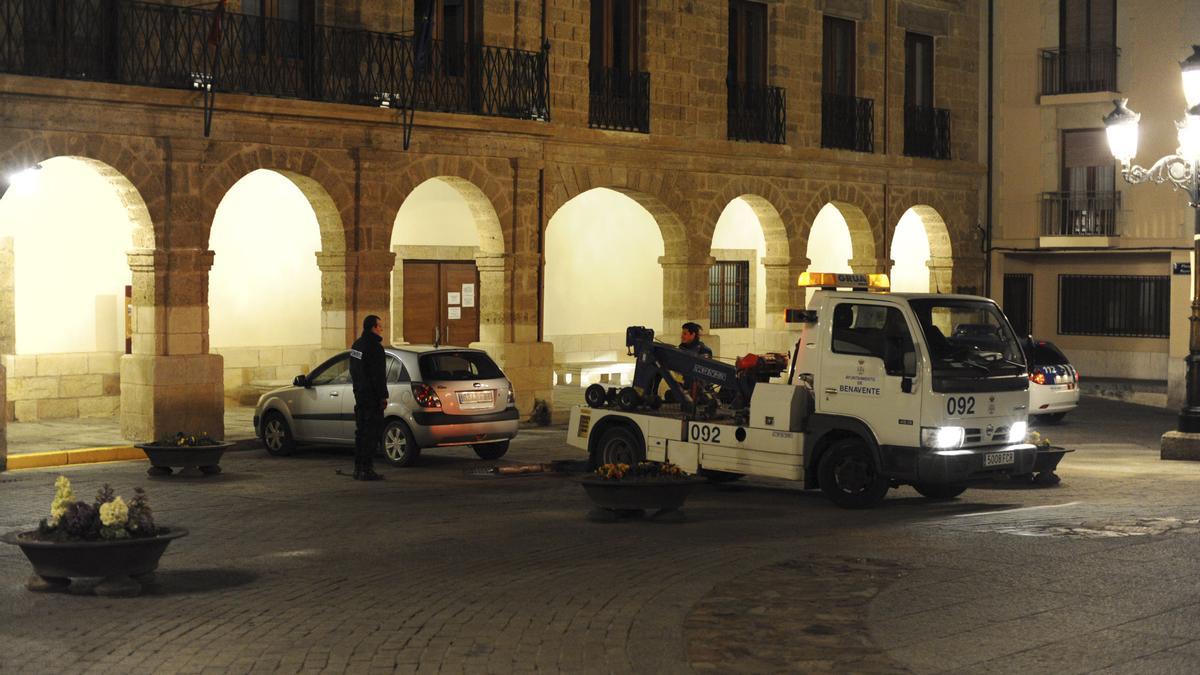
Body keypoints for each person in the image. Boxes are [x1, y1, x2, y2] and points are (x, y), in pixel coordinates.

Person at [348, 315, 388, 481]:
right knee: (371, 434)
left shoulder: (357, 345)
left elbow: (354, 370)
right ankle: (367, 469)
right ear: (372, 327)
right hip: (371, 398)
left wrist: (358, 390)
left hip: (360, 396)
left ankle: (358, 468)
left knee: (361, 433)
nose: (381, 329)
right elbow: (378, 376)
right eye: (379, 326)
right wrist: (382, 396)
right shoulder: (375, 348)